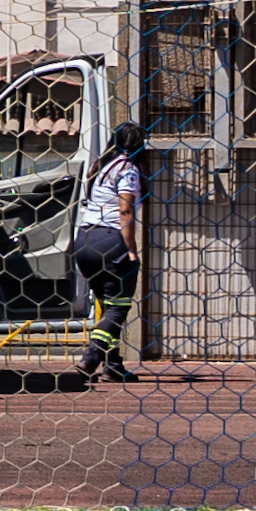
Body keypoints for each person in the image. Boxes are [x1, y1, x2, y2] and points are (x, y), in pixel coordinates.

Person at [73, 121, 146, 383]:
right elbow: (125, 211)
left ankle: (113, 365)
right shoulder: (128, 169)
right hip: (109, 241)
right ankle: (90, 357)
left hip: (84, 240)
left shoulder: (101, 166)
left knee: (107, 307)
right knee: (118, 308)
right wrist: (131, 249)